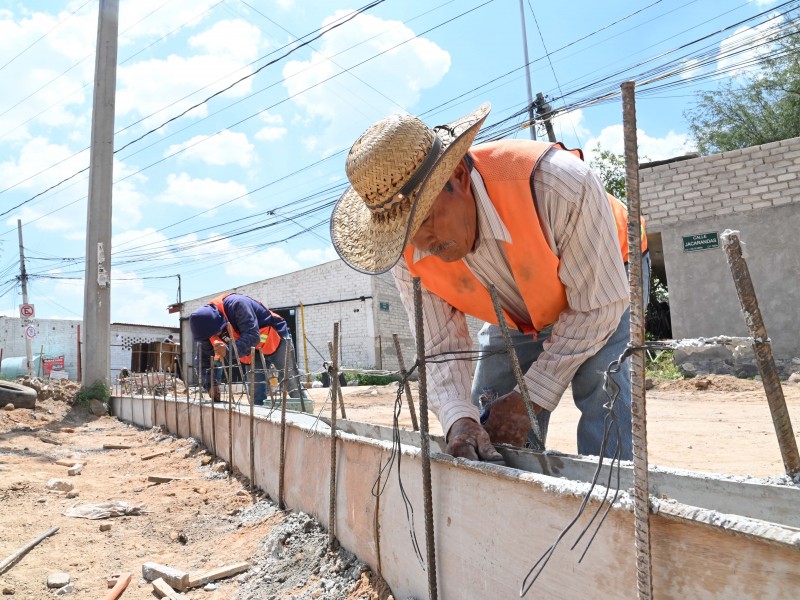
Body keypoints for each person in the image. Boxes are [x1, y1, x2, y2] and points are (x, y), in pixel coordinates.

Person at [330, 103, 649, 462]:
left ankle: (613, 501)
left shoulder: (555, 183)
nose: (424, 242)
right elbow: (440, 345)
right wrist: (458, 419)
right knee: (486, 417)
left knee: (602, 386)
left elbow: (597, 307)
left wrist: (531, 397)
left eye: (427, 218)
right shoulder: (406, 252)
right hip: (515, 310)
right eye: (406, 231)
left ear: (459, 179)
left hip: (605, 280)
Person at [189, 293, 308, 405]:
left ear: (220, 320)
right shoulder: (205, 330)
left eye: (218, 332)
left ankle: (306, 417)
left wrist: (229, 351)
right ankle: (261, 423)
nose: (216, 336)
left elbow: (253, 335)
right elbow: (203, 361)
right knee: (256, 392)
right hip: (253, 352)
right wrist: (210, 385)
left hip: (276, 340)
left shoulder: (237, 304)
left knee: (292, 383)